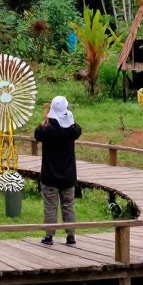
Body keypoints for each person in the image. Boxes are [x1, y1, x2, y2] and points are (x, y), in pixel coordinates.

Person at [34, 95, 82, 246]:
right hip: (68, 176)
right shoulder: (72, 130)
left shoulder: (47, 130)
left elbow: (37, 132)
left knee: (50, 207)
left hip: (50, 176)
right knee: (68, 206)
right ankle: (71, 235)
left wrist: (45, 121)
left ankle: (49, 236)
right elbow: (77, 127)